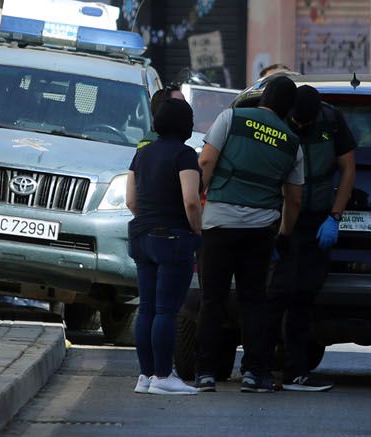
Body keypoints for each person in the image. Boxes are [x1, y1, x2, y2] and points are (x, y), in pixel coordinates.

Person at [194, 74, 304, 393]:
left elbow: (206, 160)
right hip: (260, 230)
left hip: (218, 223)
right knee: (253, 300)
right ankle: (254, 373)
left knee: (212, 299)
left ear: (263, 97)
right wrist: (283, 234)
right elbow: (294, 198)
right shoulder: (292, 142)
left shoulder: (231, 118)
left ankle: (205, 373)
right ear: (288, 109)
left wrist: (200, 206)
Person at [273, 85, 356, 393]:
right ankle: (259, 369)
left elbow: (348, 169)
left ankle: (296, 371)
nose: (303, 126)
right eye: (299, 122)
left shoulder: (331, 120)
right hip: (282, 219)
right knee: (276, 295)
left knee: (303, 296)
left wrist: (334, 216)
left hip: (316, 218)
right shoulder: (280, 119)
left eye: (307, 123)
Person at [127, 97, 204, 396]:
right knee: (166, 311)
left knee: (146, 308)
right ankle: (163, 375)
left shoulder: (141, 154)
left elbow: (131, 200)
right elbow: (190, 200)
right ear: (186, 124)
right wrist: (196, 230)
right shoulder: (185, 155)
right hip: (172, 238)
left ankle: (145, 376)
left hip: (141, 235)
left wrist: (148, 220)